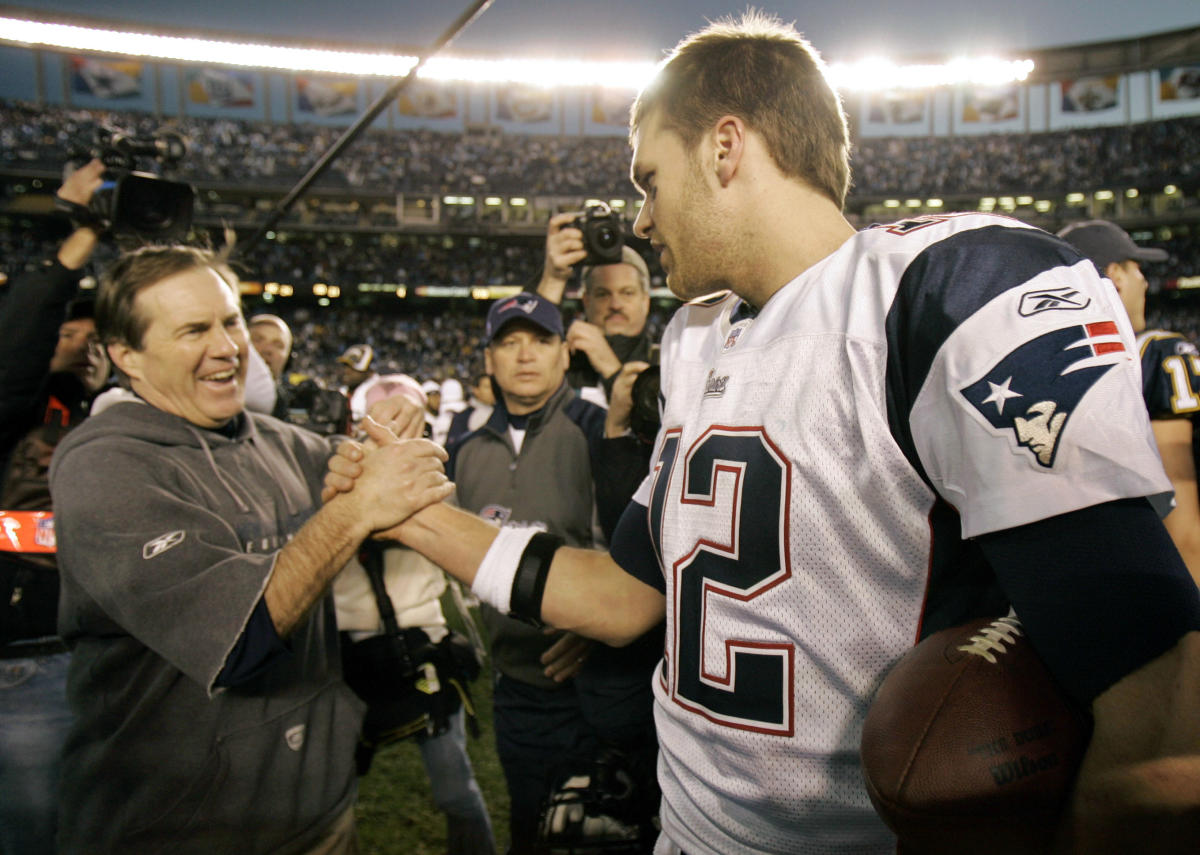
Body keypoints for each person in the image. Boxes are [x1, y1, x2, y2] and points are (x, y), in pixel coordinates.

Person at [327, 13, 1200, 855]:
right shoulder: (697, 335)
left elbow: (1159, 723)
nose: (638, 218)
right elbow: (624, 596)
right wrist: (405, 512)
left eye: (648, 179)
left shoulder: (954, 291)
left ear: (724, 145)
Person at [47, 244, 452, 854]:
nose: (227, 347)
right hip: (178, 830)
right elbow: (237, 641)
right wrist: (357, 506)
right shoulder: (103, 465)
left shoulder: (284, 442)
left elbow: (400, 499)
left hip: (319, 814)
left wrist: (403, 423)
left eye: (230, 320)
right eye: (193, 330)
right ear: (126, 355)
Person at [446, 292, 660, 854]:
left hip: (601, 687)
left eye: (540, 340)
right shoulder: (466, 451)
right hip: (518, 689)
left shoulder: (602, 429)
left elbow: (643, 548)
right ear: (487, 359)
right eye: (508, 342)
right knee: (530, 829)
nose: (524, 355)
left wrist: (590, 625)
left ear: (565, 355)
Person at [333, 374, 496, 855]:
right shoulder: (334, 473)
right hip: (349, 647)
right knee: (331, 798)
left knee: (454, 787)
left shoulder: (431, 474)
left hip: (419, 640)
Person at [0, 157, 106, 855]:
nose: (82, 341)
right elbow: (20, 343)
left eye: (97, 336)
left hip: (101, 653)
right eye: (70, 331)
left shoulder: (117, 415)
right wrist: (77, 243)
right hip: (27, 652)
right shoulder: (17, 410)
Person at [1057, 219, 1200, 586]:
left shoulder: (1052, 369)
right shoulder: (1157, 352)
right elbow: (1182, 520)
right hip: (1171, 581)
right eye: (1138, 269)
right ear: (1116, 275)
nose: (1146, 282)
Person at [538, 217, 656, 403]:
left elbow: (659, 428)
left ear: (645, 301)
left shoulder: (670, 359)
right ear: (586, 301)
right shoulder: (562, 361)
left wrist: (610, 368)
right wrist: (553, 277)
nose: (615, 305)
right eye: (603, 294)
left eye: (627, 293)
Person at [446, 369, 495, 448]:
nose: (492, 391)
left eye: (494, 387)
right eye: (487, 387)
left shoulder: (502, 414)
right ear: (475, 390)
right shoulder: (463, 417)